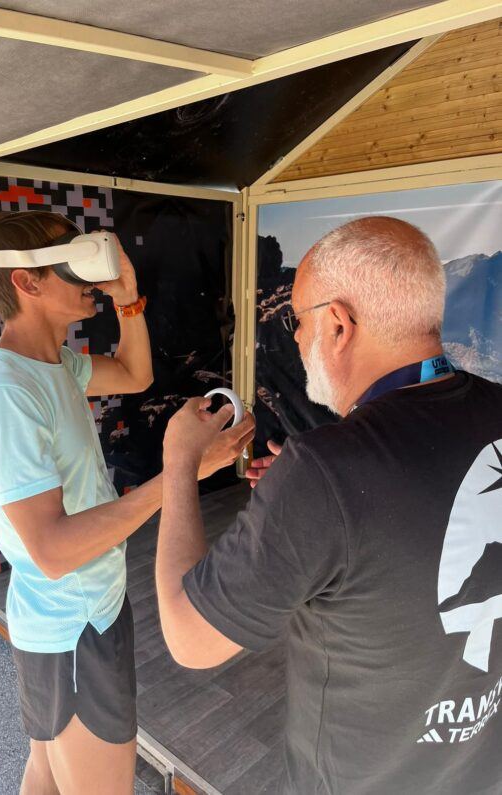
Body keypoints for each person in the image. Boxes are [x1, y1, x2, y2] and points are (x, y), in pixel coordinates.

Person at [156, 216, 502, 795]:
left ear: (339, 324)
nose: (293, 337)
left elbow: (189, 639)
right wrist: (315, 509)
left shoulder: (326, 470)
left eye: (297, 318)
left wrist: (178, 463)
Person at [0, 210, 255, 795]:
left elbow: (134, 374)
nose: (90, 279)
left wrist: (129, 302)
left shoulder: (53, 366)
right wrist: (183, 470)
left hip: (83, 613)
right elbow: (52, 550)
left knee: (47, 772)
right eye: (73, 265)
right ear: (26, 282)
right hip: (73, 629)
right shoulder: (7, 396)